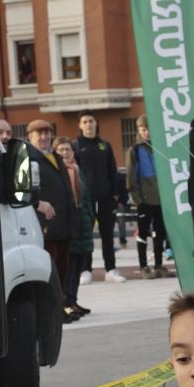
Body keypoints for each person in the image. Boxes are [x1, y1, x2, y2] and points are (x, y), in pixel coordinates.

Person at [26, 117, 76, 295]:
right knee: (49, 270)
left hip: (63, 223)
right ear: (30, 136)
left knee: (63, 269)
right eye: (39, 133)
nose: (44, 137)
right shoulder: (28, 158)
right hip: (45, 225)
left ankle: (62, 305)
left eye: (47, 133)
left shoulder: (55, 156)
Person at [73, 114, 123, 274]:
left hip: (105, 197)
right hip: (86, 198)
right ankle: (86, 270)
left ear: (96, 124)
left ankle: (111, 269)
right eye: (85, 122)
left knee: (107, 234)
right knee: (86, 234)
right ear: (80, 125)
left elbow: (112, 170)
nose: (88, 125)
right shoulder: (76, 146)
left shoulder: (104, 145)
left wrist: (115, 194)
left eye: (91, 121)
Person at [54, 138, 94, 321]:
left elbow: (86, 199)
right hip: (68, 225)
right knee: (68, 267)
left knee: (78, 265)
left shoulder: (77, 170)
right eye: (61, 150)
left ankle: (73, 301)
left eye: (67, 149)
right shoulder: (58, 173)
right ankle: (65, 303)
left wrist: (90, 218)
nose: (65, 153)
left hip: (83, 222)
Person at [129, 119, 169, 278]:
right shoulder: (135, 150)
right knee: (142, 234)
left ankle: (159, 265)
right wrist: (137, 199)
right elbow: (131, 178)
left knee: (160, 234)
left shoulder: (160, 148)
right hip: (144, 200)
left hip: (161, 200)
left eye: (149, 129)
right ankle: (143, 266)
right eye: (143, 129)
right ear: (139, 131)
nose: (147, 132)